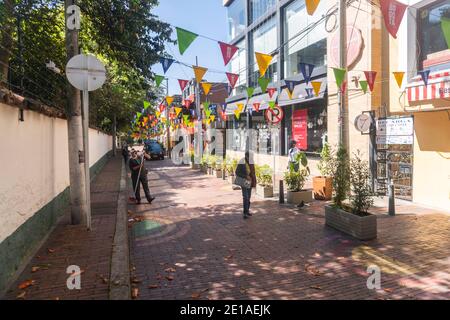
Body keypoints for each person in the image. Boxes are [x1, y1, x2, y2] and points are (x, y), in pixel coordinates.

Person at [235, 151, 256, 219]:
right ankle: (245, 213)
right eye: (251, 156)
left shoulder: (251, 162)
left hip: (249, 181)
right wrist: (245, 176)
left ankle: (247, 211)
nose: (252, 158)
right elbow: (237, 172)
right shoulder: (242, 161)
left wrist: (254, 180)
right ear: (247, 156)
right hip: (244, 181)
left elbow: (253, 172)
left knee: (249, 196)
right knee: (245, 196)